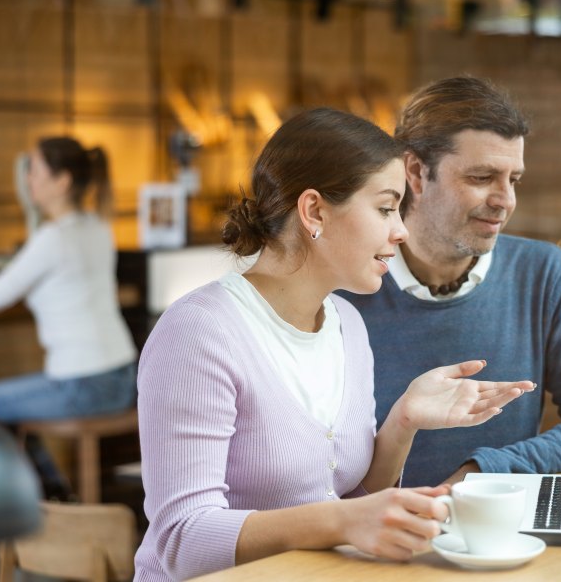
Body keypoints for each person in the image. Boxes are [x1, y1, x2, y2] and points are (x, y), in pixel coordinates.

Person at [133, 108, 534, 581]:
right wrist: (342, 521)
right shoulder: (198, 334)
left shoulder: (346, 323)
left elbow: (349, 501)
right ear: (314, 211)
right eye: (386, 208)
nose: (400, 230)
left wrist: (404, 420)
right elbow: (181, 540)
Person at [338, 76, 561, 488]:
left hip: (495, 533)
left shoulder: (543, 273)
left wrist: (482, 473)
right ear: (415, 172)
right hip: (372, 536)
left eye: (513, 179)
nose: (505, 201)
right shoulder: (342, 289)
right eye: (482, 178)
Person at [0, 137, 138, 495]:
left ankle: (45, 501)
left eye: (33, 170)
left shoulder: (53, 239)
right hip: (123, 377)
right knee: (11, 414)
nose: (27, 180)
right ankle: (52, 495)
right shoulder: (97, 227)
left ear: (62, 181)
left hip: (81, 385)